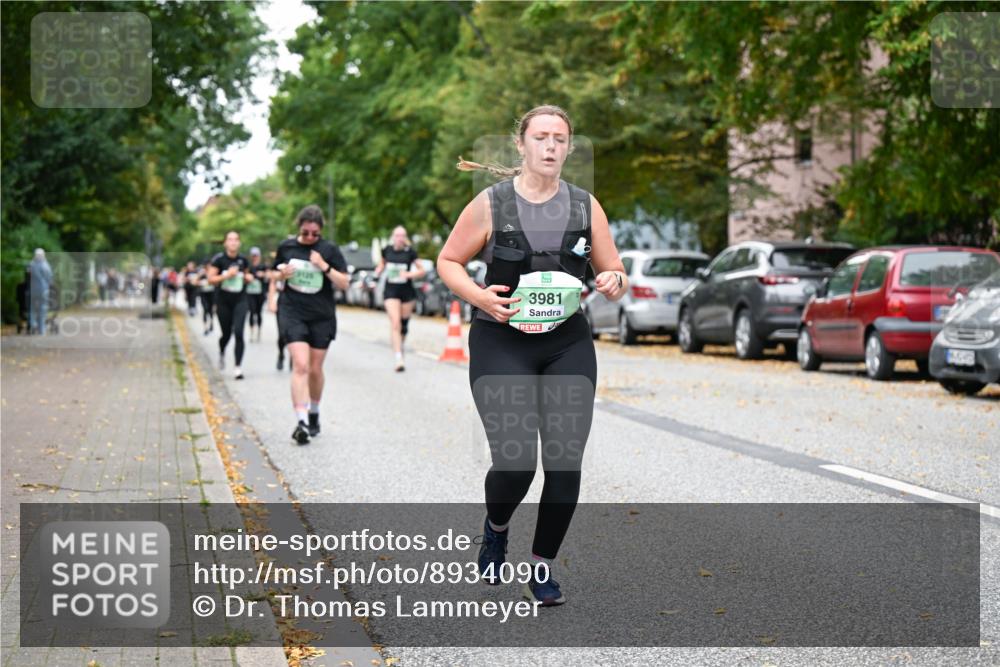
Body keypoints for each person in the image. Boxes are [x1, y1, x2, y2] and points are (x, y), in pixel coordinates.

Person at [437, 105, 628, 607]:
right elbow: (449, 261)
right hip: (501, 340)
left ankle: (542, 566)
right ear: (520, 145)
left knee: (565, 463)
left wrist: (613, 280)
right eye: (540, 137)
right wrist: (477, 296)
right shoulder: (491, 204)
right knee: (516, 462)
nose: (550, 146)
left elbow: (615, 272)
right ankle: (496, 526)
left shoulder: (587, 206)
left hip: (565, 341)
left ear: (568, 147)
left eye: (559, 139)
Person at [268, 205, 349, 445]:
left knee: (315, 369)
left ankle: (314, 411)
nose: (310, 237)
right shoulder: (287, 247)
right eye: (306, 233)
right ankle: (301, 421)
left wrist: (324, 265)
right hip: (293, 311)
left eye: (315, 233)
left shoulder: (329, 250)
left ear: (320, 231)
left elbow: (344, 283)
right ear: (299, 228)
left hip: (321, 315)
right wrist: (280, 276)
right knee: (301, 365)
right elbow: (272, 274)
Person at [374, 226, 425, 371]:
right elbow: (382, 263)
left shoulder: (410, 252)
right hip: (390, 291)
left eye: (402, 236)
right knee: (395, 323)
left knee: (403, 326)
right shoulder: (387, 250)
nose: (400, 238)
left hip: (407, 292)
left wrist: (409, 275)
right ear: (393, 236)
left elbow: (422, 270)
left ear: (405, 237)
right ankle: (398, 358)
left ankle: (399, 347)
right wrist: (379, 270)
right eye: (397, 235)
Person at [206, 231, 252, 380]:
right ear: (225, 243)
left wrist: (248, 277)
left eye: (236, 240)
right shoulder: (218, 260)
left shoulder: (243, 260)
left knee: (239, 332)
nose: (233, 242)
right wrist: (226, 275)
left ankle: (238, 367)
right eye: (230, 240)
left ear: (239, 243)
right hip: (223, 301)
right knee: (226, 333)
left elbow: (246, 275)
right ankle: (222, 351)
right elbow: (210, 279)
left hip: (240, 300)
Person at [28, 248, 54, 335]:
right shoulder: (45, 265)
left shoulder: (31, 264)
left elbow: (28, 276)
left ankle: (33, 324)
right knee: (42, 308)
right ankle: (42, 329)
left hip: (33, 289)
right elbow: (49, 278)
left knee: (32, 308)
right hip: (43, 290)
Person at [246, 247, 268, 342]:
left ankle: (258, 332)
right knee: (252, 311)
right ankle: (252, 333)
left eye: (256, 255)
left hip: (260, 293)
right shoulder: (248, 266)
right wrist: (247, 277)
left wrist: (263, 274)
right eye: (253, 255)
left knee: (259, 312)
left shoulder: (263, 266)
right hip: (250, 293)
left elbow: (269, 276)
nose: (255, 257)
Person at [198, 262, 216, 335]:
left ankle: (211, 323)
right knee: (205, 310)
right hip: (204, 295)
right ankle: (205, 328)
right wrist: (200, 278)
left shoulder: (213, 273)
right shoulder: (202, 274)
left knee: (211, 311)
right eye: (207, 266)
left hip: (211, 295)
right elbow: (195, 282)